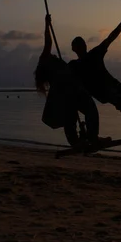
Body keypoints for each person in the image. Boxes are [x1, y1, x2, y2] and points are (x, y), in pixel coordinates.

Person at [34, 14, 107, 148]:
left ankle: (91, 137)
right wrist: (47, 25)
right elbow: (48, 42)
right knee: (72, 116)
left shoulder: (57, 65)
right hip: (65, 93)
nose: (54, 55)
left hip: (72, 91)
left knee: (89, 110)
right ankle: (78, 141)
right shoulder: (45, 59)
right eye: (53, 55)